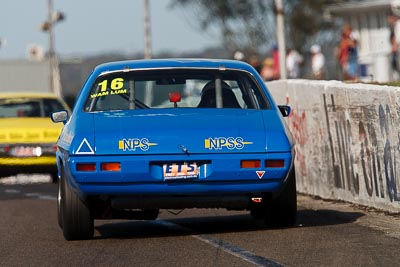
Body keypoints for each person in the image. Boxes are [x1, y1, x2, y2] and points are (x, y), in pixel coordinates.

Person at [388, 14, 400, 79]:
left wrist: (395, 46)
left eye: (389, 19)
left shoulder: (398, 25)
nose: (388, 21)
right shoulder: (395, 26)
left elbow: (398, 38)